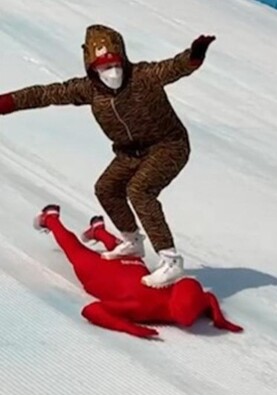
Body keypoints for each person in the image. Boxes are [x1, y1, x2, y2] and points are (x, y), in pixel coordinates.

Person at [0, 24, 217, 288]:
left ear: (124, 60)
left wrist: (194, 56)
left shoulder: (143, 76)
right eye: (104, 67)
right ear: (92, 69)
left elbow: (174, 67)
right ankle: (132, 242)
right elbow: (45, 94)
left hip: (168, 145)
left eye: (116, 65)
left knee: (140, 191)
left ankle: (170, 260)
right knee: (106, 189)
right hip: (130, 152)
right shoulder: (89, 89)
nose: (112, 73)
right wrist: (6, 103)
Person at [33, 204, 243, 339]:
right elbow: (92, 311)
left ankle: (70, 223)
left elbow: (207, 298)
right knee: (98, 249)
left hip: (111, 273)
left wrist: (218, 318)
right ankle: (61, 221)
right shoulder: (151, 306)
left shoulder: (160, 303)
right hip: (118, 270)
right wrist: (130, 328)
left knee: (95, 249)